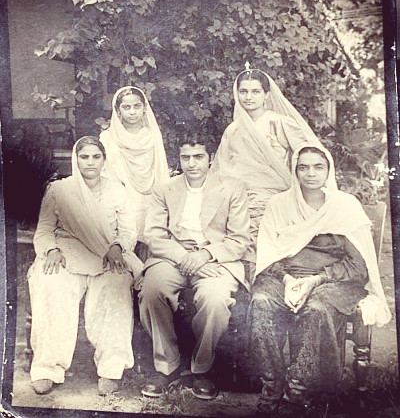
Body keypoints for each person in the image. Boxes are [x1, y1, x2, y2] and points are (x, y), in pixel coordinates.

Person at [249, 145, 391, 413]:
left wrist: (317, 280)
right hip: (284, 278)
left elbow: (358, 266)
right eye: (303, 167)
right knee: (260, 302)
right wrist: (288, 279)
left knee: (316, 309)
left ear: (329, 170)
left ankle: (298, 391)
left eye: (318, 167)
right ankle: (272, 387)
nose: (310, 173)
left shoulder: (345, 206)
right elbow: (268, 254)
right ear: (295, 170)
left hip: (332, 282)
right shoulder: (279, 205)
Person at [139, 132, 251, 400]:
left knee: (215, 299)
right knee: (152, 291)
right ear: (179, 159)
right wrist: (185, 259)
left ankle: (202, 369)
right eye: (185, 157)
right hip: (173, 256)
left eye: (198, 157)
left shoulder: (233, 188)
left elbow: (239, 240)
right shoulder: (164, 189)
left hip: (215, 259)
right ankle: (167, 366)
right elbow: (154, 236)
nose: (192, 163)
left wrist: (204, 256)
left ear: (210, 159)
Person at [28, 136, 143, 396]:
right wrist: (52, 249)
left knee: (115, 287)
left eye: (96, 156)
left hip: (106, 255)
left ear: (104, 160)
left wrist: (117, 248)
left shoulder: (118, 190)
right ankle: (47, 367)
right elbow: (44, 230)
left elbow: (128, 232)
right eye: (84, 157)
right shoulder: (59, 189)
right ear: (75, 159)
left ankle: (110, 368)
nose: (90, 162)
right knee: (51, 284)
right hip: (67, 254)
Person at [212, 67, 321, 278]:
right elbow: (221, 169)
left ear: (266, 95)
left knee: (263, 237)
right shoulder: (233, 130)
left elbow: (306, 157)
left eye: (255, 91)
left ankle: (264, 281)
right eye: (243, 92)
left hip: (274, 196)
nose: (249, 97)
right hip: (237, 197)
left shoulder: (280, 123)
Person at [100, 85, 170, 244]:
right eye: (126, 107)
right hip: (121, 195)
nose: (132, 112)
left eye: (137, 106)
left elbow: (159, 168)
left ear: (145, 108)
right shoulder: (108, 138)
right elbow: (105, 174)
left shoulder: (152, 136)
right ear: (118, 111)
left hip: (149, 195)